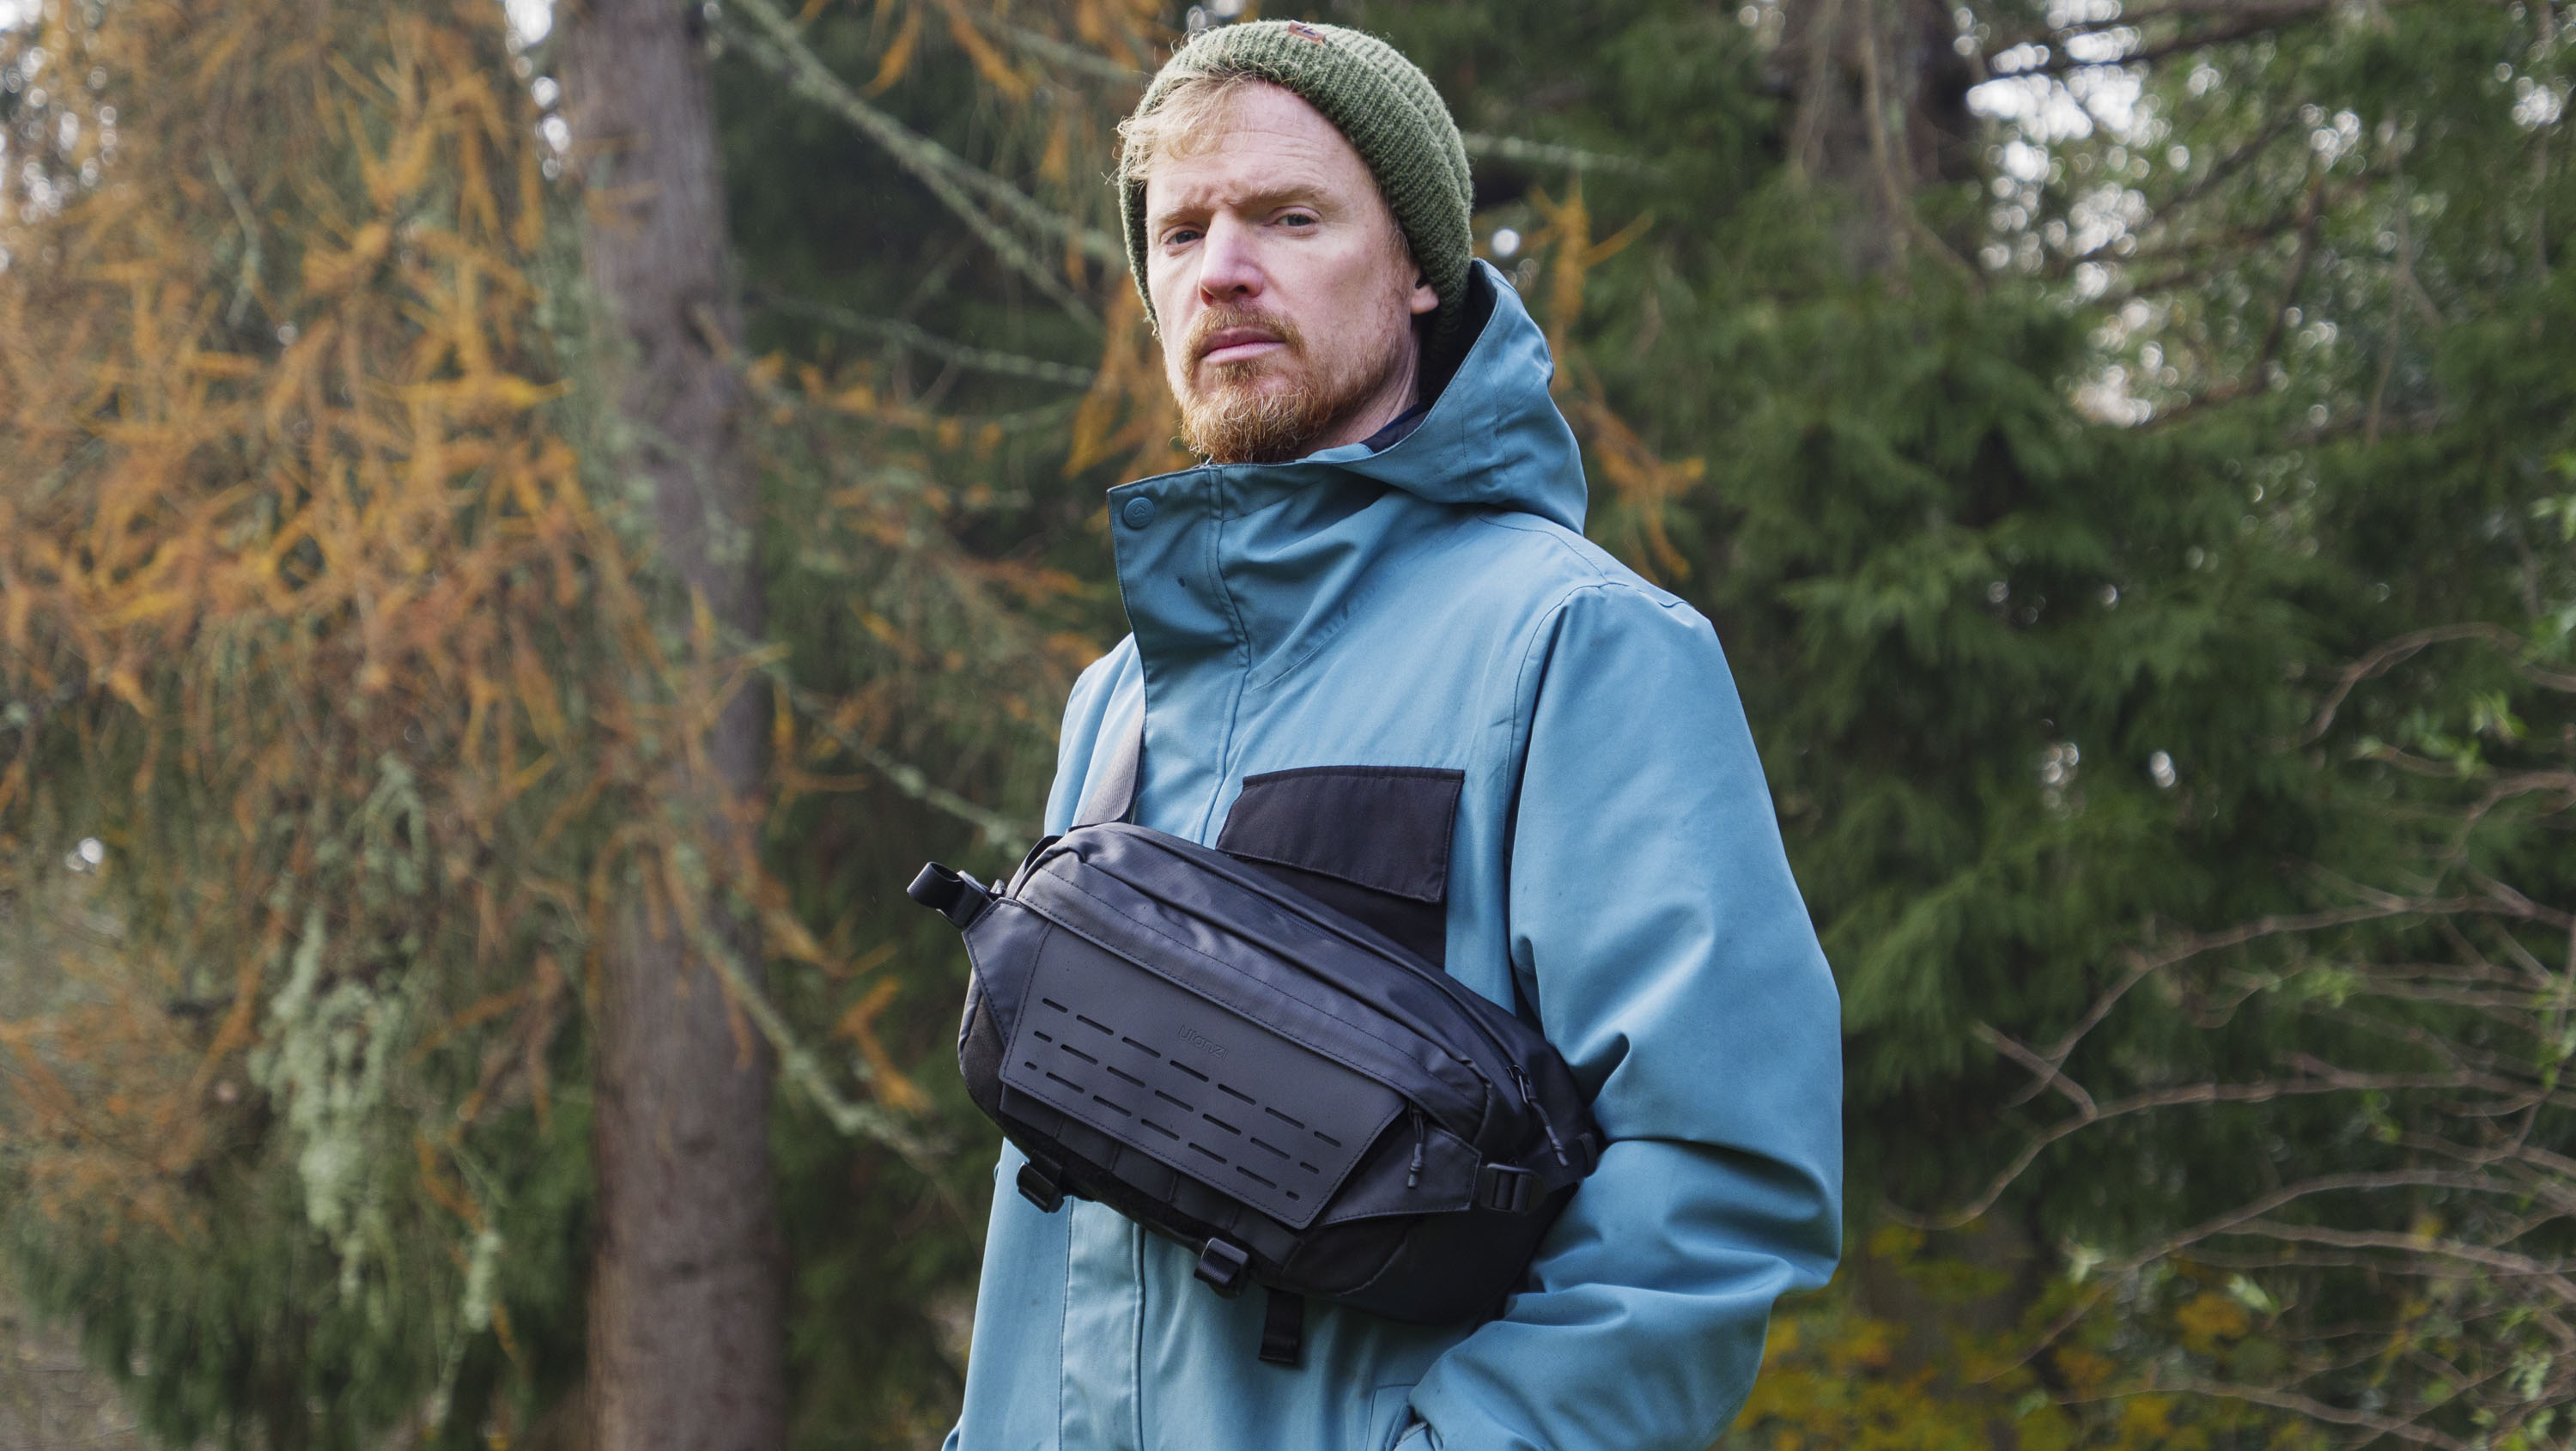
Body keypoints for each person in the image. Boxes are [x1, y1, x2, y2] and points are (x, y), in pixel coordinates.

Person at [942, 20, 1842, 1451]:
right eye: (1179, 233)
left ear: (1422, 267)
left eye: (1289, 217)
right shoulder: (1117, 702)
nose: (1222, 267)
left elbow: (1720, 1186)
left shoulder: (1577, 646)